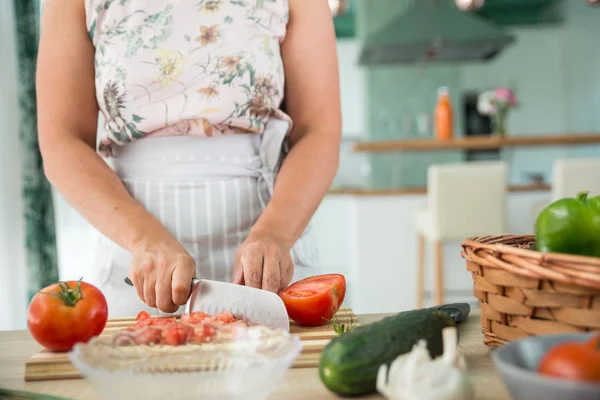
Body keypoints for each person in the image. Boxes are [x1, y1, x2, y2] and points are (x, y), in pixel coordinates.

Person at [36, 0, 341, 317]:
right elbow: (63, 140)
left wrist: (275, 234)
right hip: (134, 253)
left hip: (268, 236)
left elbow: (317, 131)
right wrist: (143, 239)